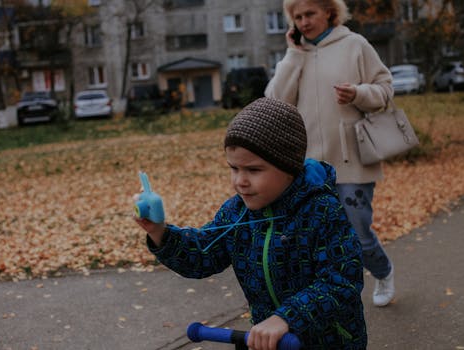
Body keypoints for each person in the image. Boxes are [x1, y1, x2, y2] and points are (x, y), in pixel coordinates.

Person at [134, 97, 367, 349]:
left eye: (253, 170)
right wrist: (160, 233)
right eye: (234, 168)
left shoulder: (322, 210)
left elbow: (341, 280)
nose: (240, 181)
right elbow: (203, 254)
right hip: (268, 342)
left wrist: (286, 317)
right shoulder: (237, 212)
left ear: (288, 167)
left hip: (330, 341)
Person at [264, 0, 395, 307]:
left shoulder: (355, 45)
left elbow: (385, 89)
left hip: (354, 162)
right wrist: (294, 54)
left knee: (358, 234)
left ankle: (383, 271)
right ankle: (335, 294)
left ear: (329, 12)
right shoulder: (296, 55)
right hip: (309, 167)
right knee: (315, 239)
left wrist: (359, 93)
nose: (304, 22)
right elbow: (274, 101)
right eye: (297, 17)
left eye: (310, 14)